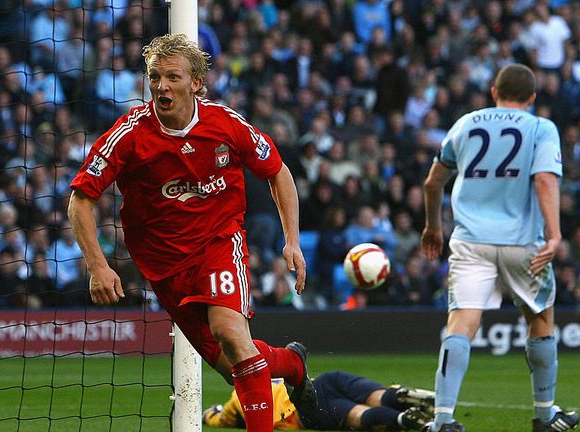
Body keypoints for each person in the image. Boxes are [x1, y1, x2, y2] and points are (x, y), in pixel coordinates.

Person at [68, 33, 311, 431]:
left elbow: (278, 172)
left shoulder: (226, 124)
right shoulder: (129, 134)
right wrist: (97, 265)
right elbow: (81, 198)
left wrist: (292, 241)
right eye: (155, 77)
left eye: (173, 77)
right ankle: (292, 363)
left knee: (232, 334)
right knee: (237, 365)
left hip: (219, 241)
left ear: (196, 82)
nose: (162, 87)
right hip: (164, 265)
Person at [420, 64, 579, 432]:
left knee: (460, 325)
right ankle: (545, 415)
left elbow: (432, 183)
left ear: (494, 91)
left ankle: (443, 420)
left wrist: (432, 226)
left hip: (470, 240)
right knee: (540, 321)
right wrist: (554, 236)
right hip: (523, 243)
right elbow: (543, 181)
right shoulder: (541, 128)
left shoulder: (466, 124)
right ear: (533, 98)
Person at [204, 370, 435, 431]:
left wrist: (208, 414)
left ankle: (406, 420)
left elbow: (217, 418)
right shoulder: (270, 374)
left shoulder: (238, 399)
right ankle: (400, 395)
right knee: (376, 396)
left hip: (305, 409)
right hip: (322, 381)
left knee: (357, 415)